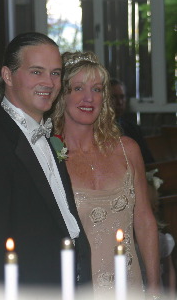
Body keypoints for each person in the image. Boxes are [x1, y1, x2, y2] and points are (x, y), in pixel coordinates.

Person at [0, 32, 92, 287]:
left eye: (55, 73)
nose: (49, 83)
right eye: (36, 72)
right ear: (7, 75)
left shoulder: (50, 136)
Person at [52, 51, 160, 298]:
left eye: (97, 89)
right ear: (62, 96)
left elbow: (144, 221)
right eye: (78, 88)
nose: (88, 98)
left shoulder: (127, 150)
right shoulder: (50, 156)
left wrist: (154, 288)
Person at [109, 78, 154, 164]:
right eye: (114, 97)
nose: (119, 102)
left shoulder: (133, 128)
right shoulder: (97, 129)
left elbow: (148, 160)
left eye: (122, 97)